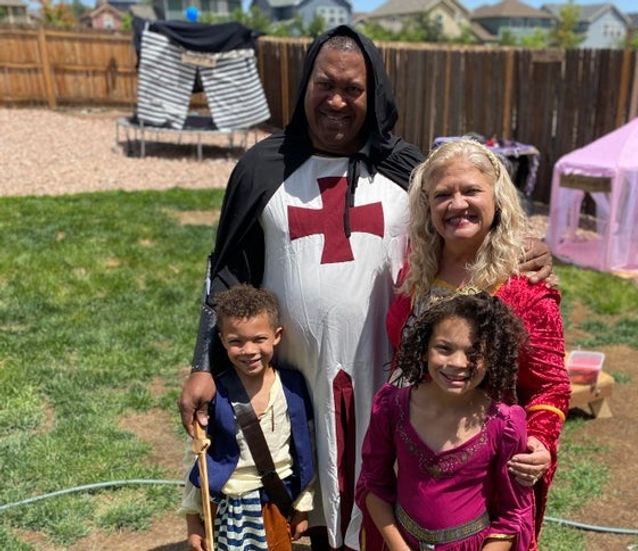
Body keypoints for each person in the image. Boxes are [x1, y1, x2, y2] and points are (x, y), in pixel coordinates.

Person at [178, 26, 553, 550]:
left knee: (381, 487)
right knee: (294, 488)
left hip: (385, 368)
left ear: (372, 93)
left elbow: (464, 222)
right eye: (324, 85)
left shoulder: (408, 170)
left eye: (352, 89)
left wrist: (524, 244)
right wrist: (204, 364)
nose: (336, 100)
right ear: (305, 85)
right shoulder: (262, 168)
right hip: (292, 370)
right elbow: (226, 271)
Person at [386, 139, 569, 548]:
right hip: (411, 455)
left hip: (479, 476)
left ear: (497, 198)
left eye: (471, 191)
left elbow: (551, 386)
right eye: (442, 195)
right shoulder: (415, 273)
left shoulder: (525, 288)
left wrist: (539, 440)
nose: (457, 204)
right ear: (427, 206)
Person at [357, 293, 534, 551]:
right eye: (444, 348)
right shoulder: (390, 407)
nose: (458, 363)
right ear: (424, 348)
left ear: (492, 357)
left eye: (474, 353)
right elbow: (373, 485)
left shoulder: (504, 425)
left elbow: (513, 515)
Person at [180, 284, 316, 551]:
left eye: (259, 339)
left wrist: (302, 507)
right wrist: (193, 519)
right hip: (225, 507)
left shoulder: (293, 387)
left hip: (275, 505)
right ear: (222, 340)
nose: (249, 350)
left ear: (277, 336)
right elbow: (196, 457)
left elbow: (305, 451)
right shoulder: (214, 393)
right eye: (236, 341)